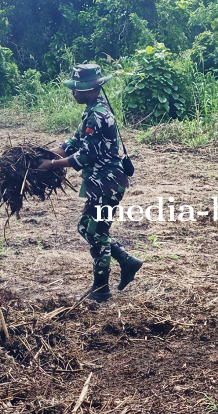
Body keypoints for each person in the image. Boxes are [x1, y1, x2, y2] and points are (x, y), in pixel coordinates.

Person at [37, 64, 141, 302]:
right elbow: (73, 142)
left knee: (93, 230)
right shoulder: (92, 110)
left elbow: (86, 156)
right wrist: (43, 154)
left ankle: (101, 288)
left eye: (77, 89)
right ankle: (127, 262)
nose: (73, 92)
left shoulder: (98, 116)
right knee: (91, 228)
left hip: (108, 182)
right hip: (101, 182)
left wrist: (51, 165)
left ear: (90, 89)